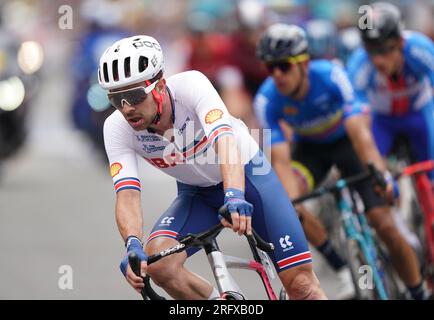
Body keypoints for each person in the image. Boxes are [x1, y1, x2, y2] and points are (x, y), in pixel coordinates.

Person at [98, 35, 327, 300]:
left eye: (134, 95)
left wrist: (234, 194)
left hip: (248, 176)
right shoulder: (116, 128)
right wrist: (132, 245)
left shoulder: (191, 86)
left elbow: (225, 143)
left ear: (160, 86)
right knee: (160, 264)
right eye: (117, 99)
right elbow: (127, 194)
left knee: (301, 286)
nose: (126, 108)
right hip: (197, 193)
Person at [254, 23, 427, 300]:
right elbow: (281, 161)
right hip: (311, 151)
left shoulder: (333, 75)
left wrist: (379, 172)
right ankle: (342, 267)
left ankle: (418, 292)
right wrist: (292, 205)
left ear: (304, 63)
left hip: (348, 143)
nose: (277, 75)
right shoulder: (266, 99)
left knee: (383, 222)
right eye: (269, 67)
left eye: (283, 66)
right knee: (288, 203)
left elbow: (361, 134)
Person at [347, 2, 434, 183]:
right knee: (374, 175)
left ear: (400, 42)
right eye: (371, 50)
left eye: (385, 49)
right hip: (383, 121)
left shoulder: (420, 49)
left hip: (418, 113)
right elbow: (356, 119)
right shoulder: (358, 65)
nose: (379, 60)